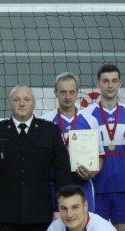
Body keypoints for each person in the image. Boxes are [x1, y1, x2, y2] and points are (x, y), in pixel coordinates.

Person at [0, 85, 70, 231]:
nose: (22, 104)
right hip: (4, 217)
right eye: (17, 99)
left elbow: (63, 173)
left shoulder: (50, 131)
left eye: (26, 99)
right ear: (9, 104)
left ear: (34, 103)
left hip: (41, 215)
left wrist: (60, 208)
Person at [76, 64, 125, 231]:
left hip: (123, 189)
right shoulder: (86, 115)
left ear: (120, 83)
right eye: (105, 81)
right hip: (96, 190)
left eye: (114, 81)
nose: (110, 85)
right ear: (98, 84)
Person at [40, 72, 99, 213]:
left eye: (72, 92)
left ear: (77, 93)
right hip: (53, 186)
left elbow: (100, 157)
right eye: (63, 92)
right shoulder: (44, 122)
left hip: (82, 185)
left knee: (84, 225)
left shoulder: (90, 120)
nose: (67, 97)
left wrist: (91, 173)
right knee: (55, 225)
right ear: (55, 92)